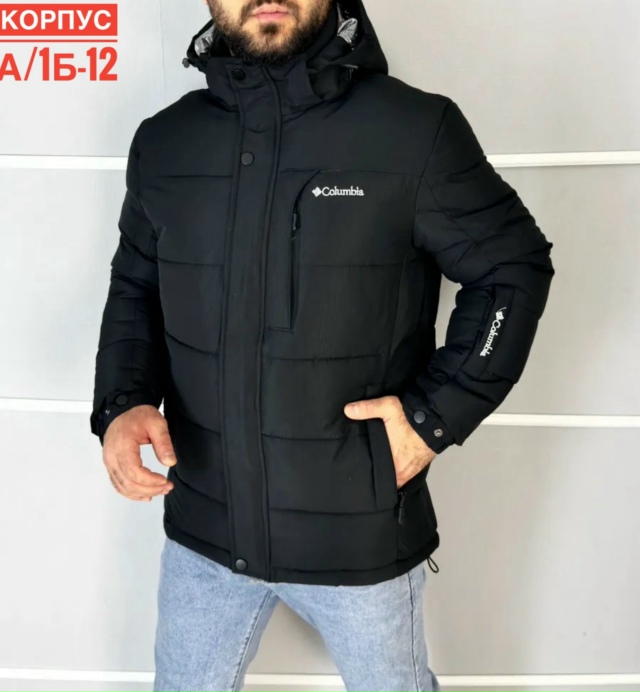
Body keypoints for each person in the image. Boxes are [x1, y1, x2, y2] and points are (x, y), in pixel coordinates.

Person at [89, 0, 555, 689]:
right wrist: (123, 401)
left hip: (357, 537)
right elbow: (136, 285)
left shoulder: (412, 131)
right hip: (205, 533)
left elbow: (511, 269)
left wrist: (434, 419)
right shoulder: (165, 143)